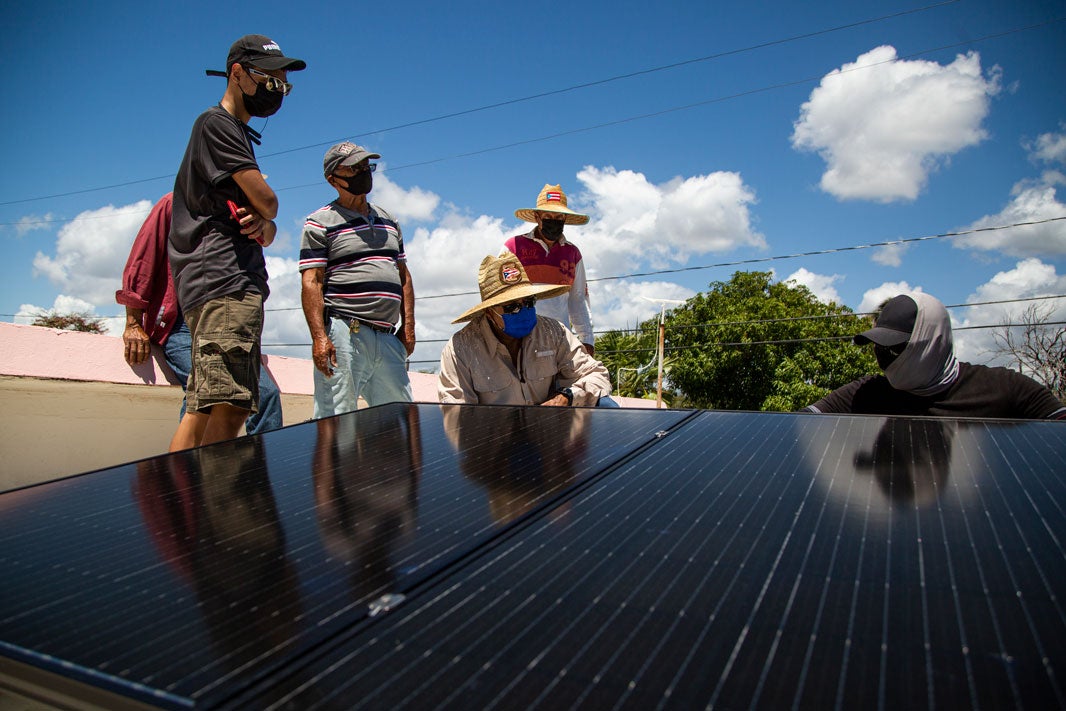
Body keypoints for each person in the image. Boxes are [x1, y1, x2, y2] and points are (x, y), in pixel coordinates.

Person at [168, 35, 305, 450]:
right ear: (238, 74)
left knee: (204, 407)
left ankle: (181, 507)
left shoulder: (230, 133)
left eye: (284, 85)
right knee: (231, 407)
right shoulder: (217, 124)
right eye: (270, 79)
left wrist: (264, 223)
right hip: (225, 283)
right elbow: (269, 202)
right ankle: (213, 506)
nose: (277, 91)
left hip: (217, 283)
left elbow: (266, 226)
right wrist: (266, 212)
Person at [117, 193, 283, 435]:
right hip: (181, 324)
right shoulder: (175, 203)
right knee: (208, 394)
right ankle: (190, 471)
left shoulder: (240, 204)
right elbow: (143, 259)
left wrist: (264, 223)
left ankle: (259, 471)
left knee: (266, 395)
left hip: (229, 321)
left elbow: (265, 240)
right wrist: (133, 322)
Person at [803, 292, 1066, 419]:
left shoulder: (1006, 389)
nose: (883, 356)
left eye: (895, 346)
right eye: (879, 346)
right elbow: (794, 429)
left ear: (932, 342)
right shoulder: (867, 393)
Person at [300, 142, 416, 417]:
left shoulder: (389, 221)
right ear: (333, 179)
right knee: (337, 420)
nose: (363, 172)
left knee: (399, 418)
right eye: (353, 168)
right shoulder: (319, 222)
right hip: (344, 333)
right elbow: (312, 281)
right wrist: (319, 338)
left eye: (365, 166)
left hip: (387, 336)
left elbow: (403, 276)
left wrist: (408, 327)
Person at [438, 254, 614, 406]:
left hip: (550, 431)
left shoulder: (553, 333)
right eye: (512, 307)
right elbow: (457, 414)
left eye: (529, 302)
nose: (523, 311)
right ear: (489, 312)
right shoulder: (460, 350)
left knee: (605, 404)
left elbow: (597, 375)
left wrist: (567, 396)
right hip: (496, 438)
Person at [504, 184, 595, 355]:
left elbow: (578, 299)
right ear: (537, 217)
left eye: (558, 217)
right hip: (521, 339)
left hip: (559, 339)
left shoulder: (572, 253)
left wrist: (587, 339)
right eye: (547, 216)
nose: (553, 221)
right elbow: (501, 295)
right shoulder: (514, 247)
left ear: (564, 220)